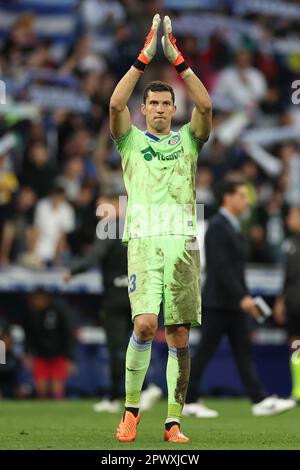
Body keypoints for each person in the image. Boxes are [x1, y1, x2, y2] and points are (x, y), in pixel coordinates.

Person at [109, 14, 212, 443]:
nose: (158, 109)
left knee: (179, 333)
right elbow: (114, 106)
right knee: (146, 325)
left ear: (173, 109)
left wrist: (178, 60)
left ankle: (173, 421)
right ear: (143, 109)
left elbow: (205, 107)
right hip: (145, 241)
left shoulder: (189, 138)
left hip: (183, 242)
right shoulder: (129, 140)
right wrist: (144, 56)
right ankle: (131, 410)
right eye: (152, 104)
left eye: (165, 103)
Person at [184, 180, 296, 417]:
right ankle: (189, 399)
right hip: (218, 302)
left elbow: (233, 269)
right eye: (242, 196)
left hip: (231, 303)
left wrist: (245, 298)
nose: (247, 201)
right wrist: (242, 297)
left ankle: (259, 399)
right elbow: (220, 268)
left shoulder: (232, 226)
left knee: (242, 350)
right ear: (228, 197)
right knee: (206, 351)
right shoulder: (218, 226)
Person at [64, 195, 162, 412]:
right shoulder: (141, 228)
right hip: (138, 298)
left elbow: (93, 257)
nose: (100, 210)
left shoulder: (109, 229)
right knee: (136, 346)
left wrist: (72, 270)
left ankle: (118, 395)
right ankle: (140, 389)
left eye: (104, 205)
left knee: (117, 348)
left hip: (115, 299)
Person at [24, 288, 75, 399]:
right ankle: (42, 414)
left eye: (38, 299)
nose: (36, 302)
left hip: (58, 355)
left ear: (45, 299)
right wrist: (27, 353)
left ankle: (60, 413)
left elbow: (67, 335)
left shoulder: (57, 312)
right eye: (34, 300)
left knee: (57, 388)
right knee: (41, 388)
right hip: (40, 355)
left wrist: (69, 358)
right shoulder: (30, 314)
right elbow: (28, 337)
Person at [274, 206, 300, 403]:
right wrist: (280, 301)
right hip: (293, 302)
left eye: (292, 216)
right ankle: (298, 391)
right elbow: (287, 277)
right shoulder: (290, 244)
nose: (288, 219)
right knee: (295, 344)